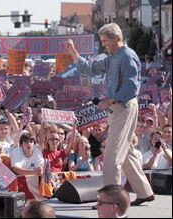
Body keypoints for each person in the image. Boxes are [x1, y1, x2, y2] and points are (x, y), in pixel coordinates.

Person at [65, 23, 154, 206]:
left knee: (112, 156)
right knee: (126, 151)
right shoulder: (112, 57)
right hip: (117, 108)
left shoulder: (127, 57)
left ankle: (109, 201)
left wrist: (110, 101)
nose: (103, 44)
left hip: (124, 106)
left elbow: (131, 87)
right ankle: (145, 192)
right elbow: (90, 68)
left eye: (105, 41)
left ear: (116, 38)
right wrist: (74, 53)